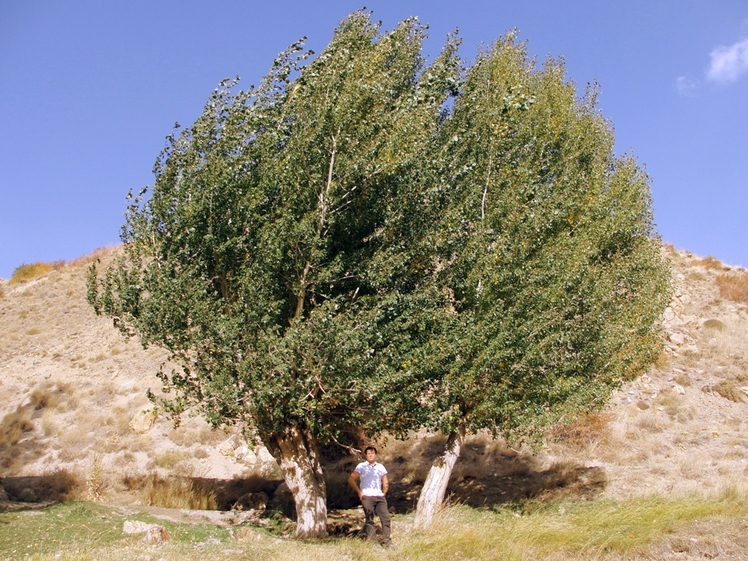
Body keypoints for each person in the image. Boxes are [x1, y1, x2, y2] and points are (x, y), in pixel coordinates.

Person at [348, 445, 393, 547]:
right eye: (368, 453)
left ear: (375, 454)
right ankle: (374, 543)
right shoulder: (361, 466)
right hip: (367, 496)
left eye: (372, 453)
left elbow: (385, 481)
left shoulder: (380, 467)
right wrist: (360, 493)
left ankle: (387, 542)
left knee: (385, 518)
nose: (370, 455)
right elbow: (351, 479)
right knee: (370, 519)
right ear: (366, 455)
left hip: (379, 497)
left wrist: (383, 493)